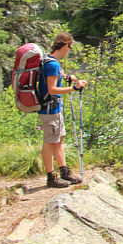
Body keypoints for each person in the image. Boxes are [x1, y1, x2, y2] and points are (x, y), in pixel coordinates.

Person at [38, 32, 87, 188]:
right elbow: (52, 89)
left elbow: (54, 77)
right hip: (50, 110)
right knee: (49, 142)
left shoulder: (50, 60)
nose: (69, 51)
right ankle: (51, 177)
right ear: (65, 46)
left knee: (58, 140)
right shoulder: (52, 64)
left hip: (53, 108)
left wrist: (66, 77)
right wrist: (74, 88)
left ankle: (64, 172)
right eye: (70, 47)